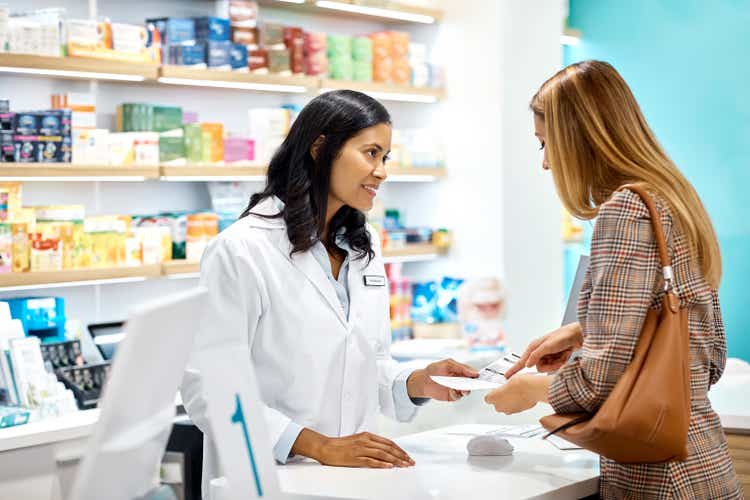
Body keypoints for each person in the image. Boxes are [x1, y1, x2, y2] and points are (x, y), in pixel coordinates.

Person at [181, 90, 478, 496]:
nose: (381, 171)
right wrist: (319, 446)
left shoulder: (362, 246)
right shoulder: (242, 249)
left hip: (352, 482)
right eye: (371, 153)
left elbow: (365, 365)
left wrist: (418, 381)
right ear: (321, 148)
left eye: (385, 157)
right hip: (268, 482)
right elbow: (209, 390)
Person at [485, 61, 742, 499]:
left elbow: (596, 382)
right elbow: (709, 356)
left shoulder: (624, 211)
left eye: (546, 144)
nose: (546, 163)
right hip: (705, 465)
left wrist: (529, 390)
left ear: (578, 140)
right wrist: (583, 330)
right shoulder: (674, 199)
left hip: (657, 481)